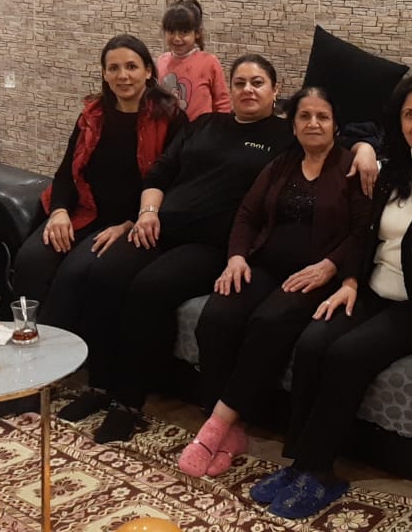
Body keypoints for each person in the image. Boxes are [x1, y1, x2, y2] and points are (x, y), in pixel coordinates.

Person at [54, 56, 381, 444]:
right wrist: (144, 215)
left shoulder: (286, 135)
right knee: (103, 272)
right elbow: (160, 173)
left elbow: (332, 134)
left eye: (258, 82)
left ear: (275, 91)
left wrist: (366, 148)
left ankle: (128, 402)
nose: (248, 90)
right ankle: (99, 384)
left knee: (149, 288)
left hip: (211, 244)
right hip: (160, 227)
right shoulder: (205, 123)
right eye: (240, 82)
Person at [248, 73, 412, 519]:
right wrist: (349, 282)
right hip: (374, 290)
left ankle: (319, 472)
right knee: (313, 341)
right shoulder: (393, 171)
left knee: (346, 354)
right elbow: (367, 234)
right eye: (410, 114)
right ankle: (300, 464)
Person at [14, 34, 185, 305]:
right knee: (31, 261)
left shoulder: (170, 118)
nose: (123, 75)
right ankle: (24, 328)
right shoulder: (92, 116)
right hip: (84, 213)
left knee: (77, 274)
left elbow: (175, 184)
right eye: (113, 68)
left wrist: (130, 224)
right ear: (104, 74)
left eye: (131, 66)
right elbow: (66, 172)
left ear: (148, 71)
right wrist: (59, 212)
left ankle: (59, 334)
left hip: (134, 222)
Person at [154, 0, 230, 119]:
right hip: (169, 128)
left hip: (201, 129)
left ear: (197, 33)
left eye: (184, 32)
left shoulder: (209, 62)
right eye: (171, 32)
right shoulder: (161, 62)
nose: (177, 38)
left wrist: (221, 127)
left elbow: (222, 102)